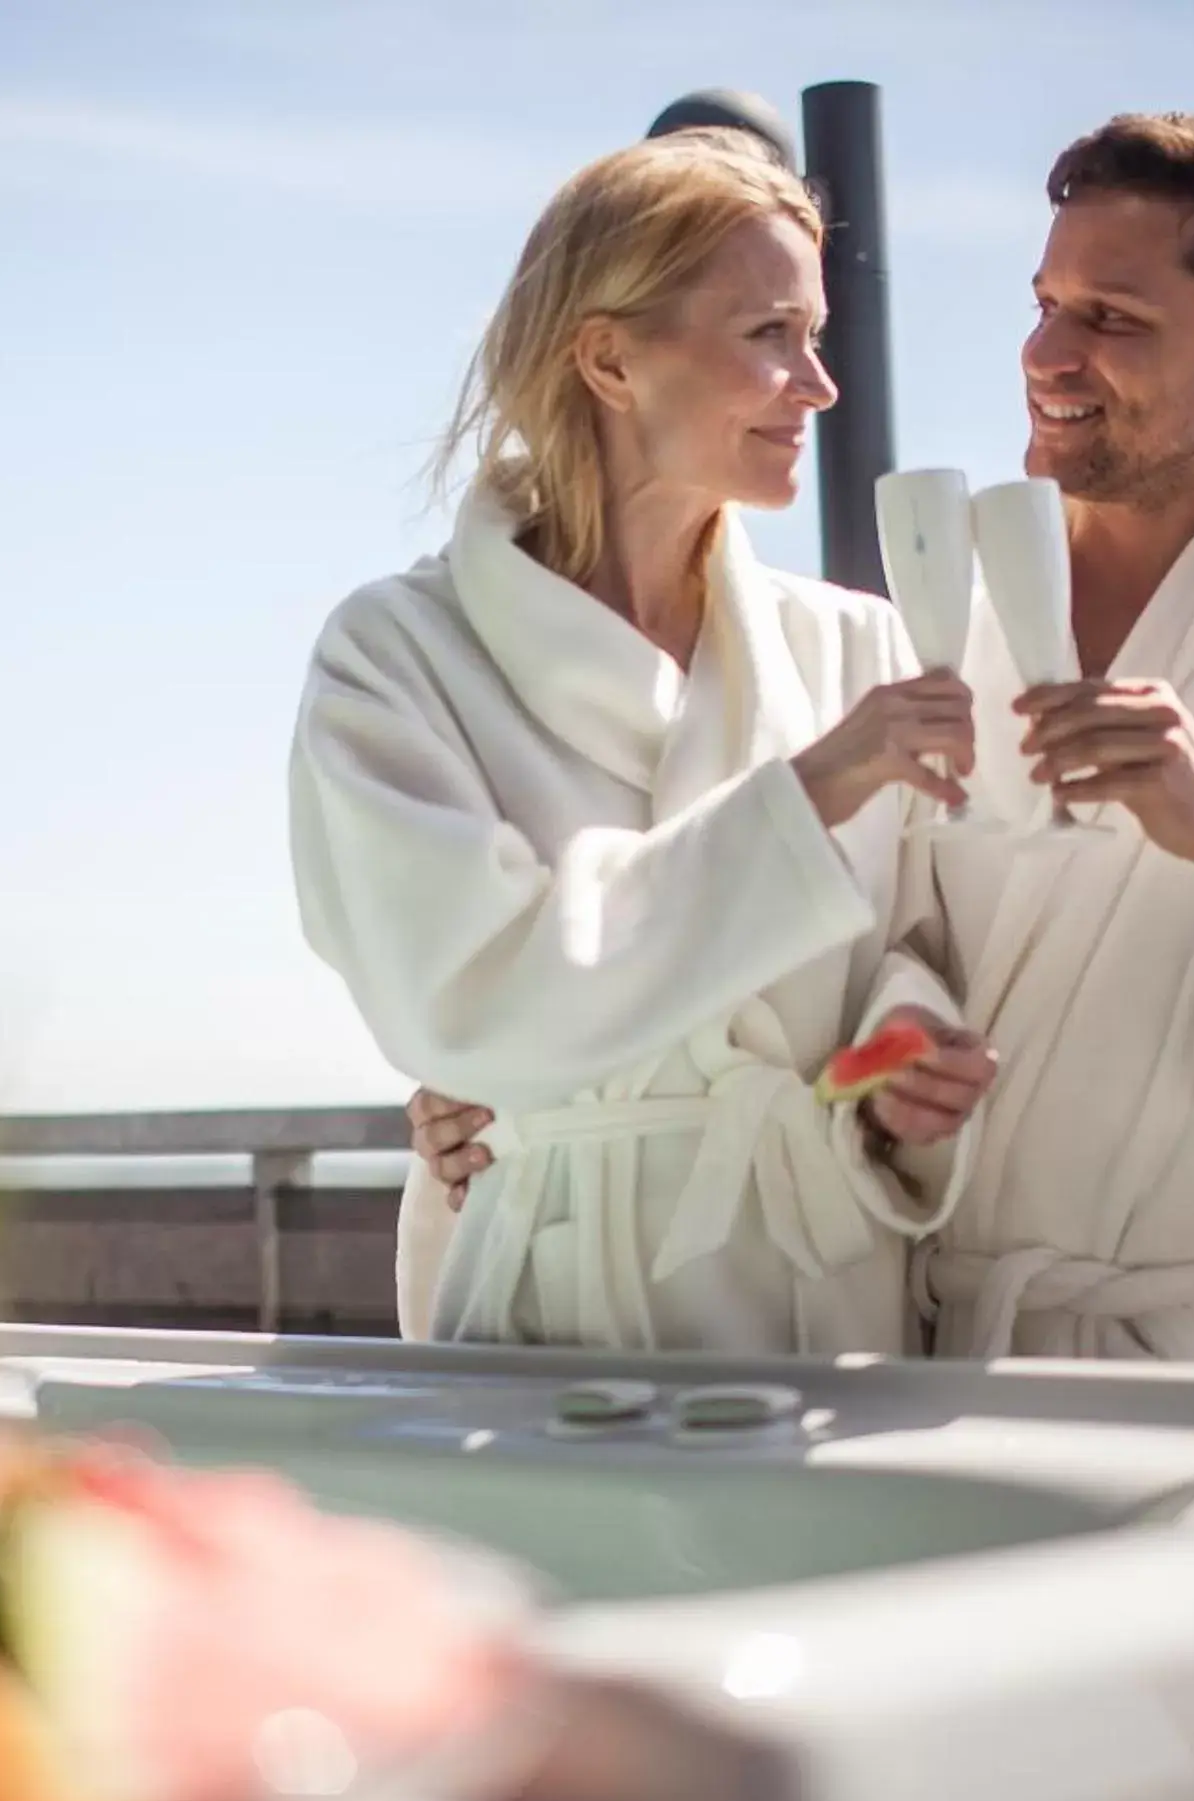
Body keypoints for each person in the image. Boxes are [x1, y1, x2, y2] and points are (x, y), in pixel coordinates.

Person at [406, 113, 1194, 1371]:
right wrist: (525, 1083)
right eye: (1045, 302)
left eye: (1113, 319)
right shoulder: (932, 652)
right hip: (975, 1364)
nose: (1047, 352)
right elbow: (834, 956)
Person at [286, 129, 1001, 1354]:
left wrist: (905, 1068)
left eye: (818, 335)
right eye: (771, 335)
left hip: (826, 1313)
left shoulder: (857, 650)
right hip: (556, 1319)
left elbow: (925, 938)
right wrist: (813, 787)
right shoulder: (396, 657)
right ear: (610, 359)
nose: (819, 386)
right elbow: (470, 995)